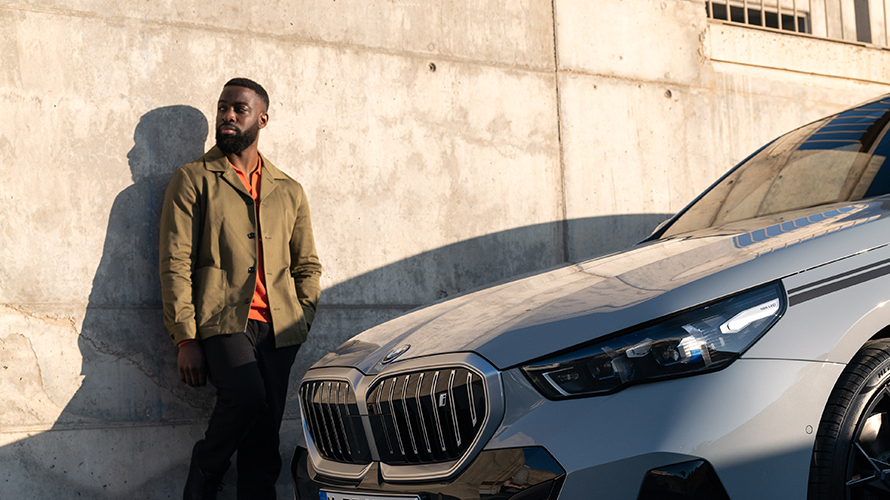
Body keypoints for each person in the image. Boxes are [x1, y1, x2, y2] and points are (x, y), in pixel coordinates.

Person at [159, 78, 322, 500]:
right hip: (223, 320)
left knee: (264, 440)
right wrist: (186, 337)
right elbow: (175, 263)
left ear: (262, 119)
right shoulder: (193, 179)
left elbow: (307, 263)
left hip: (281, 329)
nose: (228, 116)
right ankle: (205, 475)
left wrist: (302, 317)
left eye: (239, 109)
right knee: (246, 398)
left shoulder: (289, 190)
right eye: (222, 107)